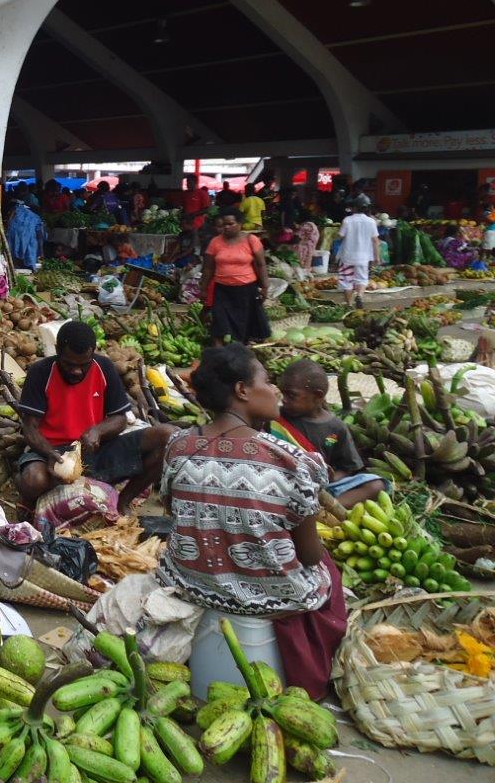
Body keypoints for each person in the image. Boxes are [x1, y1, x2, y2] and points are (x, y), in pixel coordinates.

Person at [157, 344, 346, 700]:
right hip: (267, 599)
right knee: (329, 573)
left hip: (192, 582)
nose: (274, 390)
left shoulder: (178, 446)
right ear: (242, 390)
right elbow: (307, 556)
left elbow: (173, 511)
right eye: (267, 380)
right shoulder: (291, 460)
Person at [15, 321, 175, 513]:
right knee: (34, 480)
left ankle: (122, 502)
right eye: (69, 364)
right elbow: (30, 429)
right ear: (57, 351)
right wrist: (51, 455)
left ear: (92, 353)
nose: (77, 371)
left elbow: (120, 418)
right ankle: (30, 497)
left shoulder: (104, 367)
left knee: (168, 435)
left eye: (84, 365)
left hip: (93, 448)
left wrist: (97, 431)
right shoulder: (40, 372)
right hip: (51, 451)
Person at [274, 359, 388, 507]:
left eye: (291, 395)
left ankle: (325, 510)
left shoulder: (335, 428)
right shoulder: (276, 419)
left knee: (376, 485)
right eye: (282, 394)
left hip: (322, 488)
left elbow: (348, 467)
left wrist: (328, 479)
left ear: (318, 396)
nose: (284, 400)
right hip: (283, 484)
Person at [201, 207, 270, 345]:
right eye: (224, 224)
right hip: (222, 290)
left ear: (240, 224)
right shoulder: (215, 242)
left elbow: (261, 264)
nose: (226, 227)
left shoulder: (251, 240)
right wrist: (203, 288)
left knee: (244, 326)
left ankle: (242, 354)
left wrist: (265, 286)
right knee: (219, 325)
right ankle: (219, 356)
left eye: (230, 224)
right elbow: (208, 267)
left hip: (246, 289)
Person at [337, 202, 380, 308]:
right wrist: (377, 257)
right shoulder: (371, 222)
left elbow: (340, 236)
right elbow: (375, 240)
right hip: (363, 257)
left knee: (347, 280)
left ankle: (349, 304)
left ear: (354, 208)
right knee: (362, 279)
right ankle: (359, 296)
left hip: (347, 255)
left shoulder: (347, 220)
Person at [6, 191, 46, 270]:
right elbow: (40, 236)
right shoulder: (37, 219)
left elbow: (9, 220)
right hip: (27, 238)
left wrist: (9, 228)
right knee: (31, 246)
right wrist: (41, 252)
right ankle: (28, 267)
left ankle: (14, 268)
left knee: (13, 253)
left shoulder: (18, 208)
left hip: (12, 234)